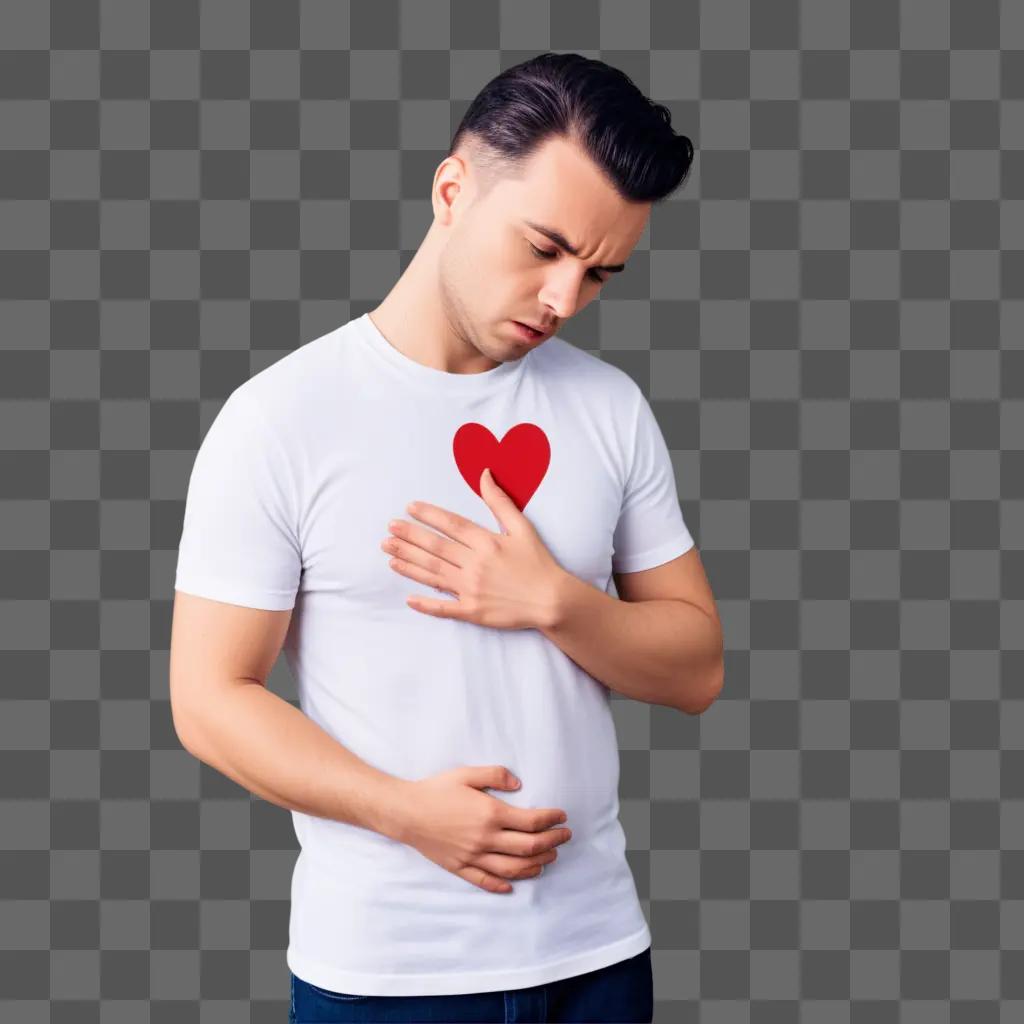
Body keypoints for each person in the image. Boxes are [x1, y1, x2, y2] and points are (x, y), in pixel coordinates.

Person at [169, 51, 722, 1023]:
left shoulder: (609, 408)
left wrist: (553, 600)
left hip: (598, 959)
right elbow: (209, 699)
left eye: (599, 273)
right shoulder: (281, 417)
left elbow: (694, 669)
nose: (562, 298)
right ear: (453, 188)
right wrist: (404, 811)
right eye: (544, 246)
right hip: (386, 974)